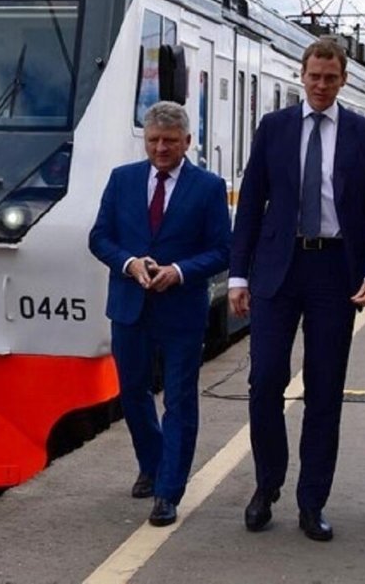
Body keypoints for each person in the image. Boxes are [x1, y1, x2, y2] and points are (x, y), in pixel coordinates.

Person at [229, 37, 365, 541]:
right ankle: (266, 486)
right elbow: (252, 201)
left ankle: (311, 500)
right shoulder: (274, 128)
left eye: (331, 78)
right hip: (278, 268)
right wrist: (238, 275)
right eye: (314, 77)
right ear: (302, 75)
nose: (321, 86)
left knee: (325, 391)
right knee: (264, 383)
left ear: (343, 81)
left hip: (334, 273)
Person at [88, 101, 231, 528]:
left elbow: (224, 250)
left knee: (180, 400)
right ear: (145, 140)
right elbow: (100, 238)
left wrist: (181, 271)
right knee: (133, 393)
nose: (161, 148)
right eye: (153, 140)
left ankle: (169, 491)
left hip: (181, 310)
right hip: (129, 307)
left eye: (170, 141)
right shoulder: (122, 180)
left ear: (187, 142)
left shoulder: (208, 187)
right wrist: (130, 263)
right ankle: (151, 465)